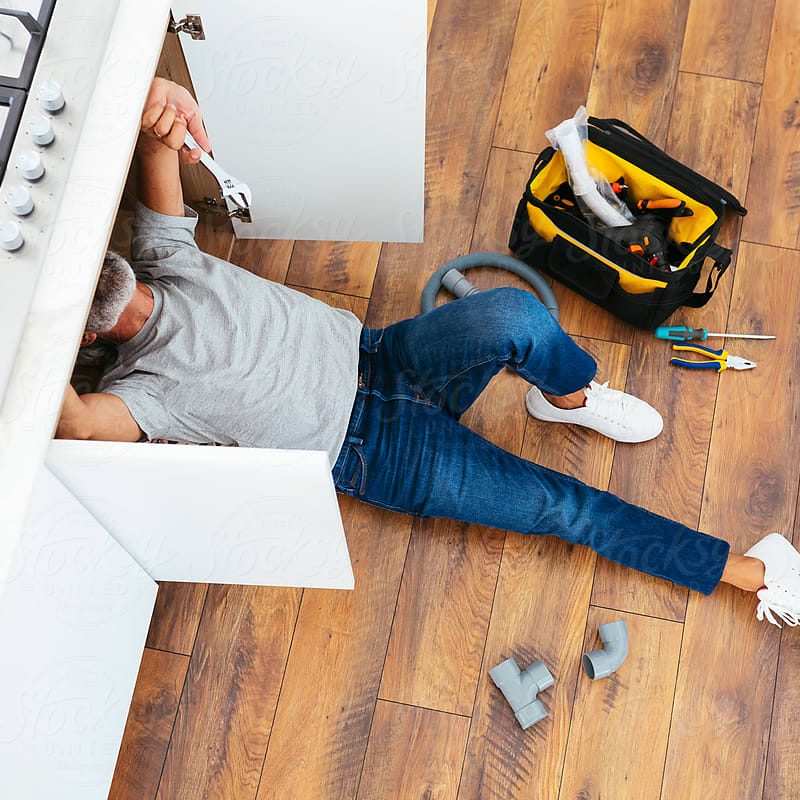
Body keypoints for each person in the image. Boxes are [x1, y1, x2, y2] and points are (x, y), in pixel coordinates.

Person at [57, 78, 799, 629]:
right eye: (72, 293)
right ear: (80, 335)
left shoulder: (160, 255)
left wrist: (162, 101)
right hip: (373, 452)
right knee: (562, 507)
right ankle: (757, 572)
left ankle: (565, 398)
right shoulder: (140, 390)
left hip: (384, 356)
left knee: (515, 313)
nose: (87, 276)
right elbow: (81, 428)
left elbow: (159, 139)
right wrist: (26, 335)